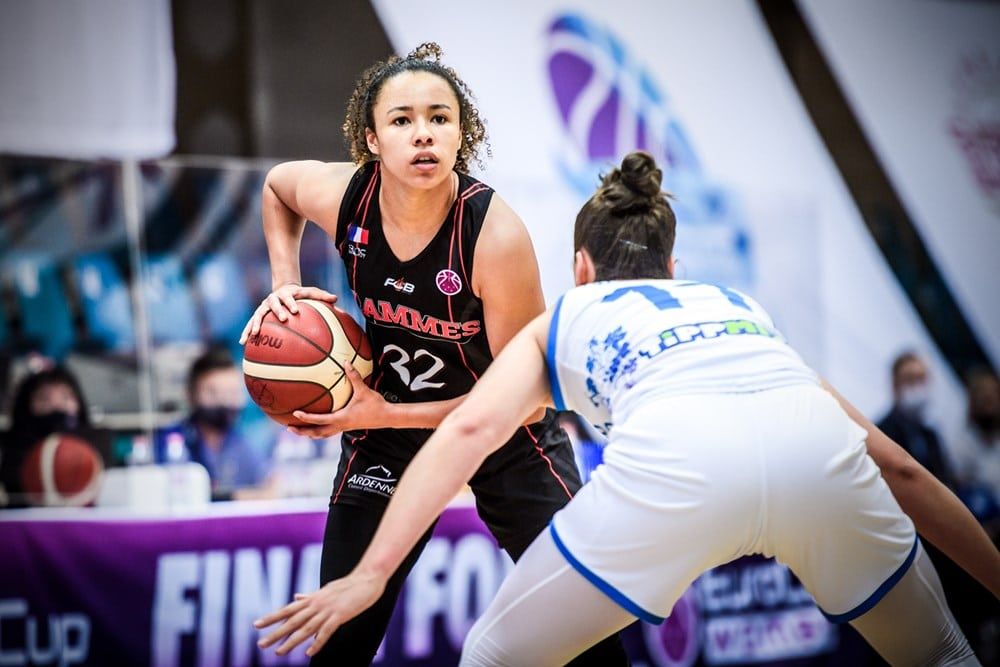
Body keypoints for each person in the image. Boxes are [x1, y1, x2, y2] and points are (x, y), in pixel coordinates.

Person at [254, 152, 999, 666]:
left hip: (681, 467)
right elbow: (900, 467)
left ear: (580, 268)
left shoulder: (571, 312)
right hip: (815, 462)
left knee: (493, 655)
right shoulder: (739, 307)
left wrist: (373, 574)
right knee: (941, 653)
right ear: (675, 267)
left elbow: (475, 426)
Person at [239, 43, 626, 665]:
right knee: (340, 633)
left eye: (439, 118)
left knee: (588, 638)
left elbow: (526, 403)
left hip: (504, 437)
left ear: (460, 133)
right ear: (372, 140)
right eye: (402, 120)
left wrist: (381, 413)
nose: (423, 133)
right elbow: (278, 187)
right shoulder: (347, 198)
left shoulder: (494, 235)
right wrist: (285, 284)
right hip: (387, 432)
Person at [155, 346, 276, 500]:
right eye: (213, 393)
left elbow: (266, 487)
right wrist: (235, 497)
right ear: (191, 394)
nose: (224, 401)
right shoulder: (169, 442)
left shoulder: (243, 444)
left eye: (232, 392)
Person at [0, 364, 95, 507]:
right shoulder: (12, 445)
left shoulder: (94, 440)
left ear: (79, 403)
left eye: (66, 397)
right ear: (26, 406)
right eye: (44, 398)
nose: (57, 405)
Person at [877, 351, 957, 489]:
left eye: (921, 379)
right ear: (895, 385)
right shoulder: (881, 433)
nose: (917, 386)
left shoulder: (931, 435)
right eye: (909, 379)